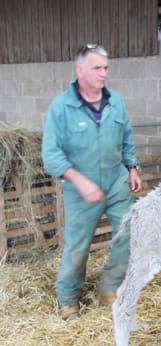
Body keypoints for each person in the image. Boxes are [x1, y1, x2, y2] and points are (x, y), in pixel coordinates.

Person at [42, 44, 143, 320]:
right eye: (97, 68)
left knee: (129, 232)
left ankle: (109, 287)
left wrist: (132, 167)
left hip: (116, 181)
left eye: (106, 68)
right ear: (80, 70)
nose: (103, 74)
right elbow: (51, 154)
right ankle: (67, 298)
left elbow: (127, 137)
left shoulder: (116, 101)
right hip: (80, 188)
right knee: (78, 245)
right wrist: (79, 180)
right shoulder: (61, 108)